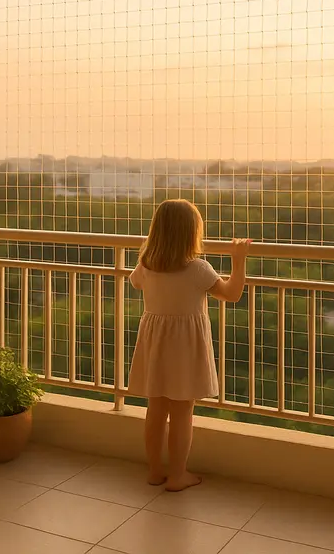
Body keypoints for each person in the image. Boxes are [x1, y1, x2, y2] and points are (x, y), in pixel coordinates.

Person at [127, 199, 251, 492]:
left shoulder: (147, 265)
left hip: (156, 343)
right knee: (182, 413)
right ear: (191, 233)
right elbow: (232, 294)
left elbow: (135, 283)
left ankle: (155, 471)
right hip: (184, 347)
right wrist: (238, 259)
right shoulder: (198, 269)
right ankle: (178, 475)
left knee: (156, 409)